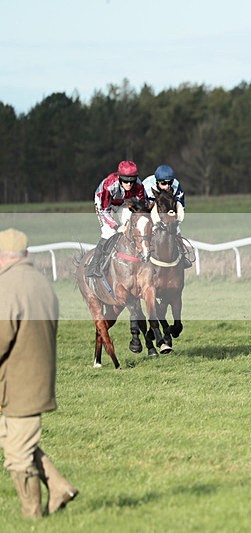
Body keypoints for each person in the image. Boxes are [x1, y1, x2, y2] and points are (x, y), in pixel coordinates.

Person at [0, 228, 78, 518]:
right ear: (25, 255)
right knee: (15, 438)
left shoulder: (8, 286)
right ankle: (58, 487)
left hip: (18, 383)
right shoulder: (40, 282)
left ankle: (32, 518)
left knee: (17, 455)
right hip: (37, 378)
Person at [87, 161, 146, 277]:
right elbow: (104, 210)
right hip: (104, 205)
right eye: (125, 180)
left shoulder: (139, 186)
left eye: (132, 180)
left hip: (123, 203)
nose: (129, 184)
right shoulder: (109, 185)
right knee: (109, 232)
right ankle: (94, 266)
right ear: (119, 177)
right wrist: (117, 226)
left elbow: (142, 206)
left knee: (133, 227)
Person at [141, 164, 192, 268]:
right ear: (157, 181)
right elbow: (142, 209)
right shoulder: (146, 186)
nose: (168, 186)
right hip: (149, 210)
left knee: (175, 227)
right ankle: (141, 254)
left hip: (168, 211)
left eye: (170, 183)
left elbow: (180, 206)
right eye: (164, 183)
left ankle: (183, 256)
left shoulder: (176, 186)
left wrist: (173, 219)